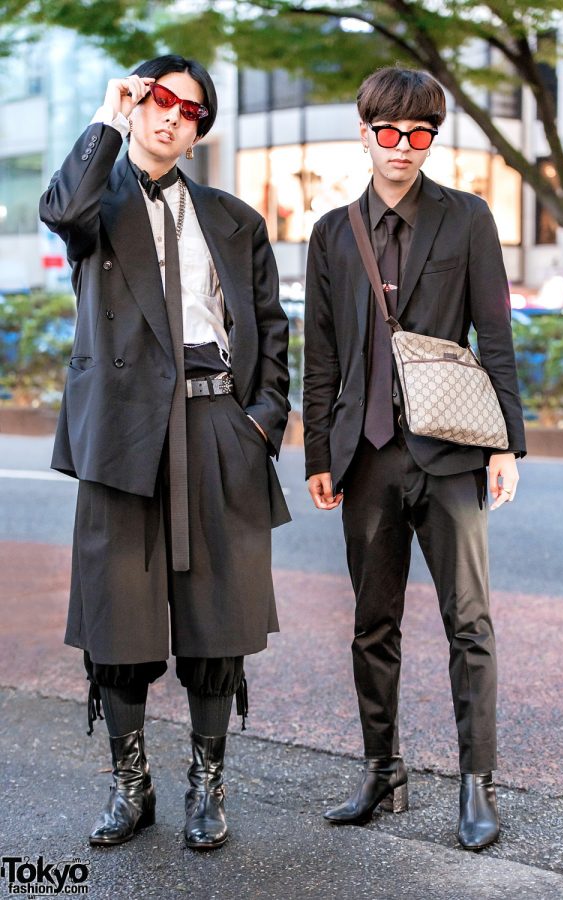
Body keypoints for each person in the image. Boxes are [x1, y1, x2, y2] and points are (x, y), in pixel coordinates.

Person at [39, 54, 290, 851]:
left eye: (191, 109)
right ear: (134, 102)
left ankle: (207, 786)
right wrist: (108, 117)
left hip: (220, 424)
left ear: (200, 130)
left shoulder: (233, 219)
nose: (173, 115)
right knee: (121, 613)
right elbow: (61, 204)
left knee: (218, 618)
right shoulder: (97, 206)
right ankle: (131, 783)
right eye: (158, 99)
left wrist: (263, 419)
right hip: (123, 431)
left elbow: (270, 328)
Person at [303, 67, 525, 850]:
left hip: (454, 454)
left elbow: (493, 335)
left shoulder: (467, 218)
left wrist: (505, 444)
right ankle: (380, 771)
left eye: (420, 133)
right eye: (388, 132)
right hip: (364, 456)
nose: (402, 147)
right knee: (372, 624)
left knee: (469, 621)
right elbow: (321, 354)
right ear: (363, 133)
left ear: (434, 138)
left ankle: (477, 783)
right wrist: (318, 453)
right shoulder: (333, 232)